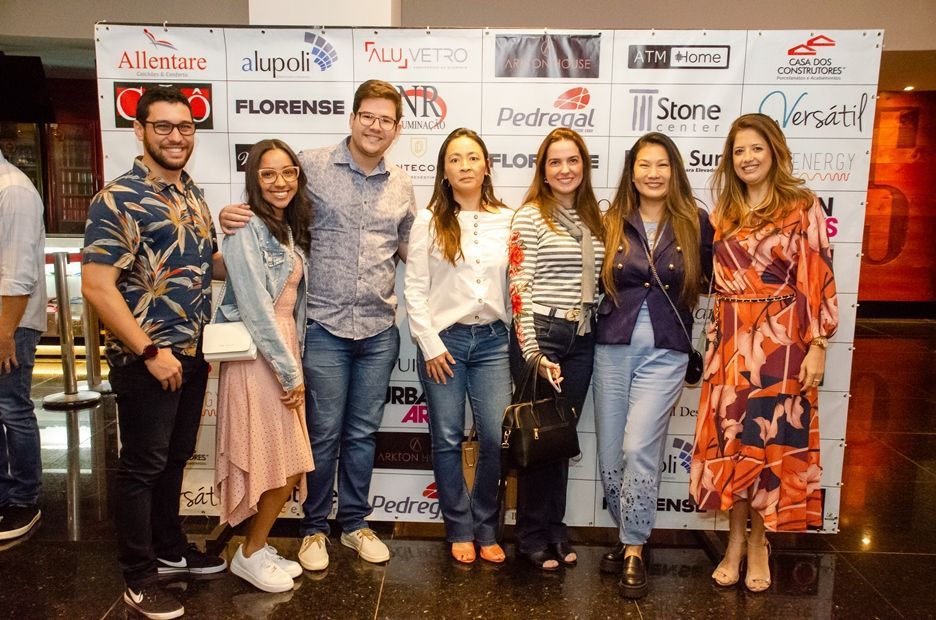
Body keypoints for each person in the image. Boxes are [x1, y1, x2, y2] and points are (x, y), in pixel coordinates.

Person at [219, 80, 416, 571]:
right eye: (367, 116)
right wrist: (227, 215)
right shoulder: (310, 165)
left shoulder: (403, 183)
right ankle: (312, 530)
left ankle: (354, 524)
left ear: (397, 128)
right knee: (322, 433)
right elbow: (269, 202)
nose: (375, 126)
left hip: (378, 329)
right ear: (352, 118)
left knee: (364, 432)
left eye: (385, 119)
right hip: (324, 326)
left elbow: (413, 250)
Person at [82, 85, 227, 620]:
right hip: (149, 359)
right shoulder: (117, 198)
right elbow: (97, 286)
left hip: (193, 352)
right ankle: (139, 578)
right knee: (142, 467)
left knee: (173, 460)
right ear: (139, 131)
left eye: (184, 127)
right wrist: (147, 351)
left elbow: (207, 265)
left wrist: (267, 252)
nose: (175, 136)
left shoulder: (191, 193)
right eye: (163, 126)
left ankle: (169, 549)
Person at [689, 113, 838, 593]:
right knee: (733, 444)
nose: (747, 158)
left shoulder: (802, 206)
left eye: (755, 148)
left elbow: (817, 278)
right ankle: (734, 542)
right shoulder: (726, 212)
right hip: (729, 344)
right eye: (738, 151)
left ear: (774, 150)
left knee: (770, 445)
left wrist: (817, 345)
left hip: (781, 344)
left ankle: (760, 544)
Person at [592, 132, 714, 598]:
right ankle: (630, 534)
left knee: (640, 446)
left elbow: (720, 280)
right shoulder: (611, 221)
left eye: (662, 164)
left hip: (667, 349)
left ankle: (634, 548)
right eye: (644, 164)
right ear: (632, 171)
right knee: (609, 455)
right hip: (611, 347)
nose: (653, 173)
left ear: (674, 171)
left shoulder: (695, 223)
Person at [404, 128, 512, 565]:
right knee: (446, 438)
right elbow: (414, 288)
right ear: (444, 171)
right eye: (454, 159)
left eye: (472, 158)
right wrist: (429, 344)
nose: (464, 166)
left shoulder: (509, 218)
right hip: (443, 343)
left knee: (493, 437)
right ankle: (459, 528)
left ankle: (487, 527)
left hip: (493, 343)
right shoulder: (429, 221)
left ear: (486, 165)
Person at [214, 139, 315, 592]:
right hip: (260, 355)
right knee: (286, 460)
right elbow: (256, 306)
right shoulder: (246, 226)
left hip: (280, 348)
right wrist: (289, 372)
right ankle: (249, 553)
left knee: (284, 460)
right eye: (269, 174)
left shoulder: (285, 226)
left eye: (288, 172)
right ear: (255, 178)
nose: (281, 182)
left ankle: (257, 545)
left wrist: (293, 361)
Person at [507, 127, 605, 571]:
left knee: (561, 440)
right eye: (555, 162)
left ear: (583, 167)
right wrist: (532, 353)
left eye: (573, 161)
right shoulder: (529, 217)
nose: (565, 169)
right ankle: (529, 534)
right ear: (544, 172)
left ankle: (556, 530)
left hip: (582, 336)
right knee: (538, 437)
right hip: (541, 335)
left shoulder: (595, 219)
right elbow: (518, 288)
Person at [0, 148, 47, 542]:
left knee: (12, 408)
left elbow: (17, 274)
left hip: (9, 324)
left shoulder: (13, 188)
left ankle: (23, 500)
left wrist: (5, 333)